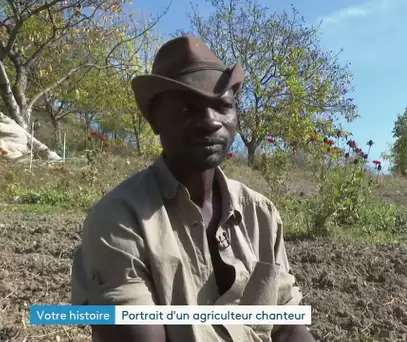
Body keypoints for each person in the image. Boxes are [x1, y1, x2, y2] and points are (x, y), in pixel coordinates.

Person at [70, 35, 316, 342]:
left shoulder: (261, 214)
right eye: (188, 109)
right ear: (155, 121)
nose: (210, 121)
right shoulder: (118, 221)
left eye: (222, 106)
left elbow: (288, 325)